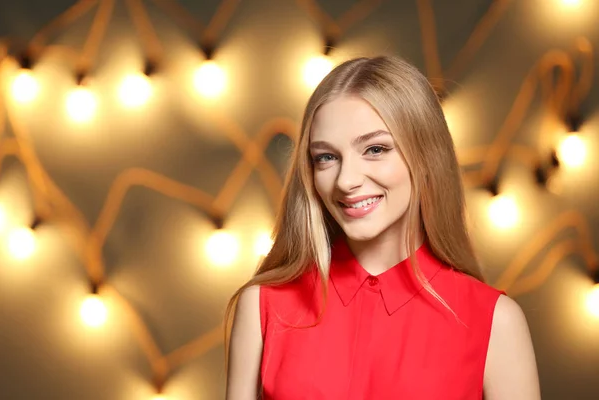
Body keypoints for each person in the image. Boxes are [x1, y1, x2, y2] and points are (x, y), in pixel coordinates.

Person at [224, 55, 541, 400]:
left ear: (425, 157)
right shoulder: (263, 305)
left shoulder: (496, 322)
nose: (346, 181)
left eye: (375, 149)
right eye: (326, 157)